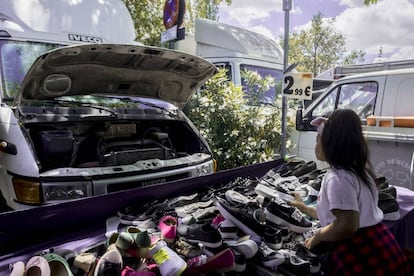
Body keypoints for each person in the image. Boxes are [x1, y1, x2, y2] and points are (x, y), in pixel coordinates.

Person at [289, 108, 410, 275]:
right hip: (381, 245)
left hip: (360, 253)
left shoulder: (338, 178)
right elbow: (336, 216)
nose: (315, 145)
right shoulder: (359, 172)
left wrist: (318, 236)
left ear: (331, 145)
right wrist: (304, 208)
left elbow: (347, 225)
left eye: (318, 139)